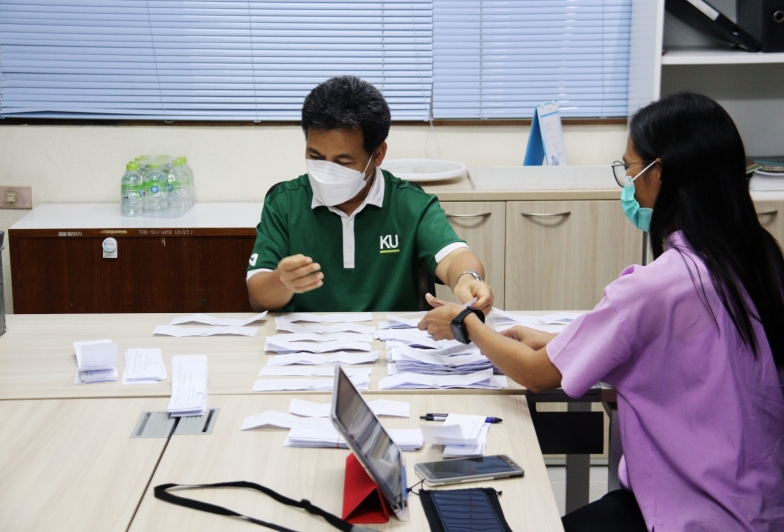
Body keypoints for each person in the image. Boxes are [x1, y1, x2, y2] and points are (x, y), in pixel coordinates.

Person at [418, 92, 784, 531]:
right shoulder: (760, 258)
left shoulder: (656, 286)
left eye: (630, 169)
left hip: (687, 512)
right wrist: (561, 343)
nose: (628, 184)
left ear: (658, 173)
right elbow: (681, 355)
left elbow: (536, 374)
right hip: (759, 507)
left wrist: (467, 323)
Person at [246, 75, 493, 313]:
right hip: (306, 338)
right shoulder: (284, 203)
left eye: (343, 162)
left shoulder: (411, 204)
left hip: (390, 337)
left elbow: (455, 256)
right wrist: (282, 281)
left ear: (378, 154)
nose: (327, 173)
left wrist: (467, 279)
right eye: (316, 157)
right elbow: (258, 297)